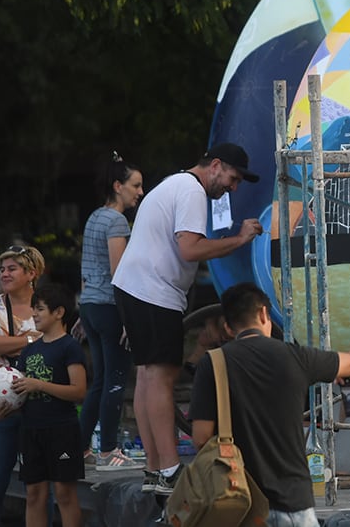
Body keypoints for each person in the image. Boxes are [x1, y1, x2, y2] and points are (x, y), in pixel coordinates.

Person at [112, 142, 264, 496]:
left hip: (135, 286)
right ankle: (168, 469)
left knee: (148, 376)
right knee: (161, 378)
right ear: (214, 166)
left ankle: (154, 469)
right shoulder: (193, 191)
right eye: (232, 177)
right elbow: (190, 248)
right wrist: (239, 239)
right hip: (152, 290)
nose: (233, 186)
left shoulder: (174, 184)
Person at [189, 283, 350, 527]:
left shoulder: (212, 364)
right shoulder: (295, 356)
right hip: (293, 502)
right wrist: (341, 372)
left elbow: (200, 437)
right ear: (264, 314)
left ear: (229, 328)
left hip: (236, 502)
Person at [78, 151, 144, 470]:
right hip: (108, 306)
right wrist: (129, 318)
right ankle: (108, 451)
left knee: (100, 381)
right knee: (115, 380)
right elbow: (121, 273)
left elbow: (87, 266)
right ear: (118, 186)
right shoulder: (117, 221)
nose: (140, 192)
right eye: (136, 185)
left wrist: (81, 308)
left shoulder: (94, 217)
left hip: (90, 304)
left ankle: (81, 448)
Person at [0, 245, 44, 527]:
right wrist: (29, 340)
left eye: (12, 268)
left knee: (39, 486)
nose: (4, 274)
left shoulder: (46, 304)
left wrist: (8, 342)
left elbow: (56, 344)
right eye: (2, 269)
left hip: (38, 404)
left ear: (31, 273)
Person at [12, 284, 88, 527]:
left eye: (40, 309)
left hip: (62, 430)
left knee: (64, 494)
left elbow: (79, 392)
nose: (34, 314)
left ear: (59, 312)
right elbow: (20, 391)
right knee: (34, 495)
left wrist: (39, 385)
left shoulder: (70, 347)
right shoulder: (28, 351)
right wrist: (2, 404)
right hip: (31, 430)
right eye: (33, 309)